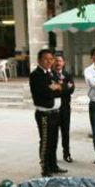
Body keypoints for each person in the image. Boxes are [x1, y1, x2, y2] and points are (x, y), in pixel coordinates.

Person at [29, 48, 67, 177]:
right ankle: (45, 167)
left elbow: (64, 88)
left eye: (51, 59)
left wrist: (57, 87)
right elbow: (45, 92)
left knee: (54, 140)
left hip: (55, 112)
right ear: (39, 60)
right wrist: (56, 88)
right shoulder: (36, 75)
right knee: (45, 141)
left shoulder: (52, 73)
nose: (49, 61)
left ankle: (53, 165)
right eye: (46, 59)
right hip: (44, 113)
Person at [53, 52, 75, 163]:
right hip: (53, 109)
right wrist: (64, 87)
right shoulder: (50, 75)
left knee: (65, 132)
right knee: (53, 134)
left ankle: (66, 154)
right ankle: (52, 156)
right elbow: (50, 90)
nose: (58, 63)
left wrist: (59, 88)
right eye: (56, 61)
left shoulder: (68, 75)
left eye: (60, 61)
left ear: (63, 63)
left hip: (65, 108)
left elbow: (71, 89)